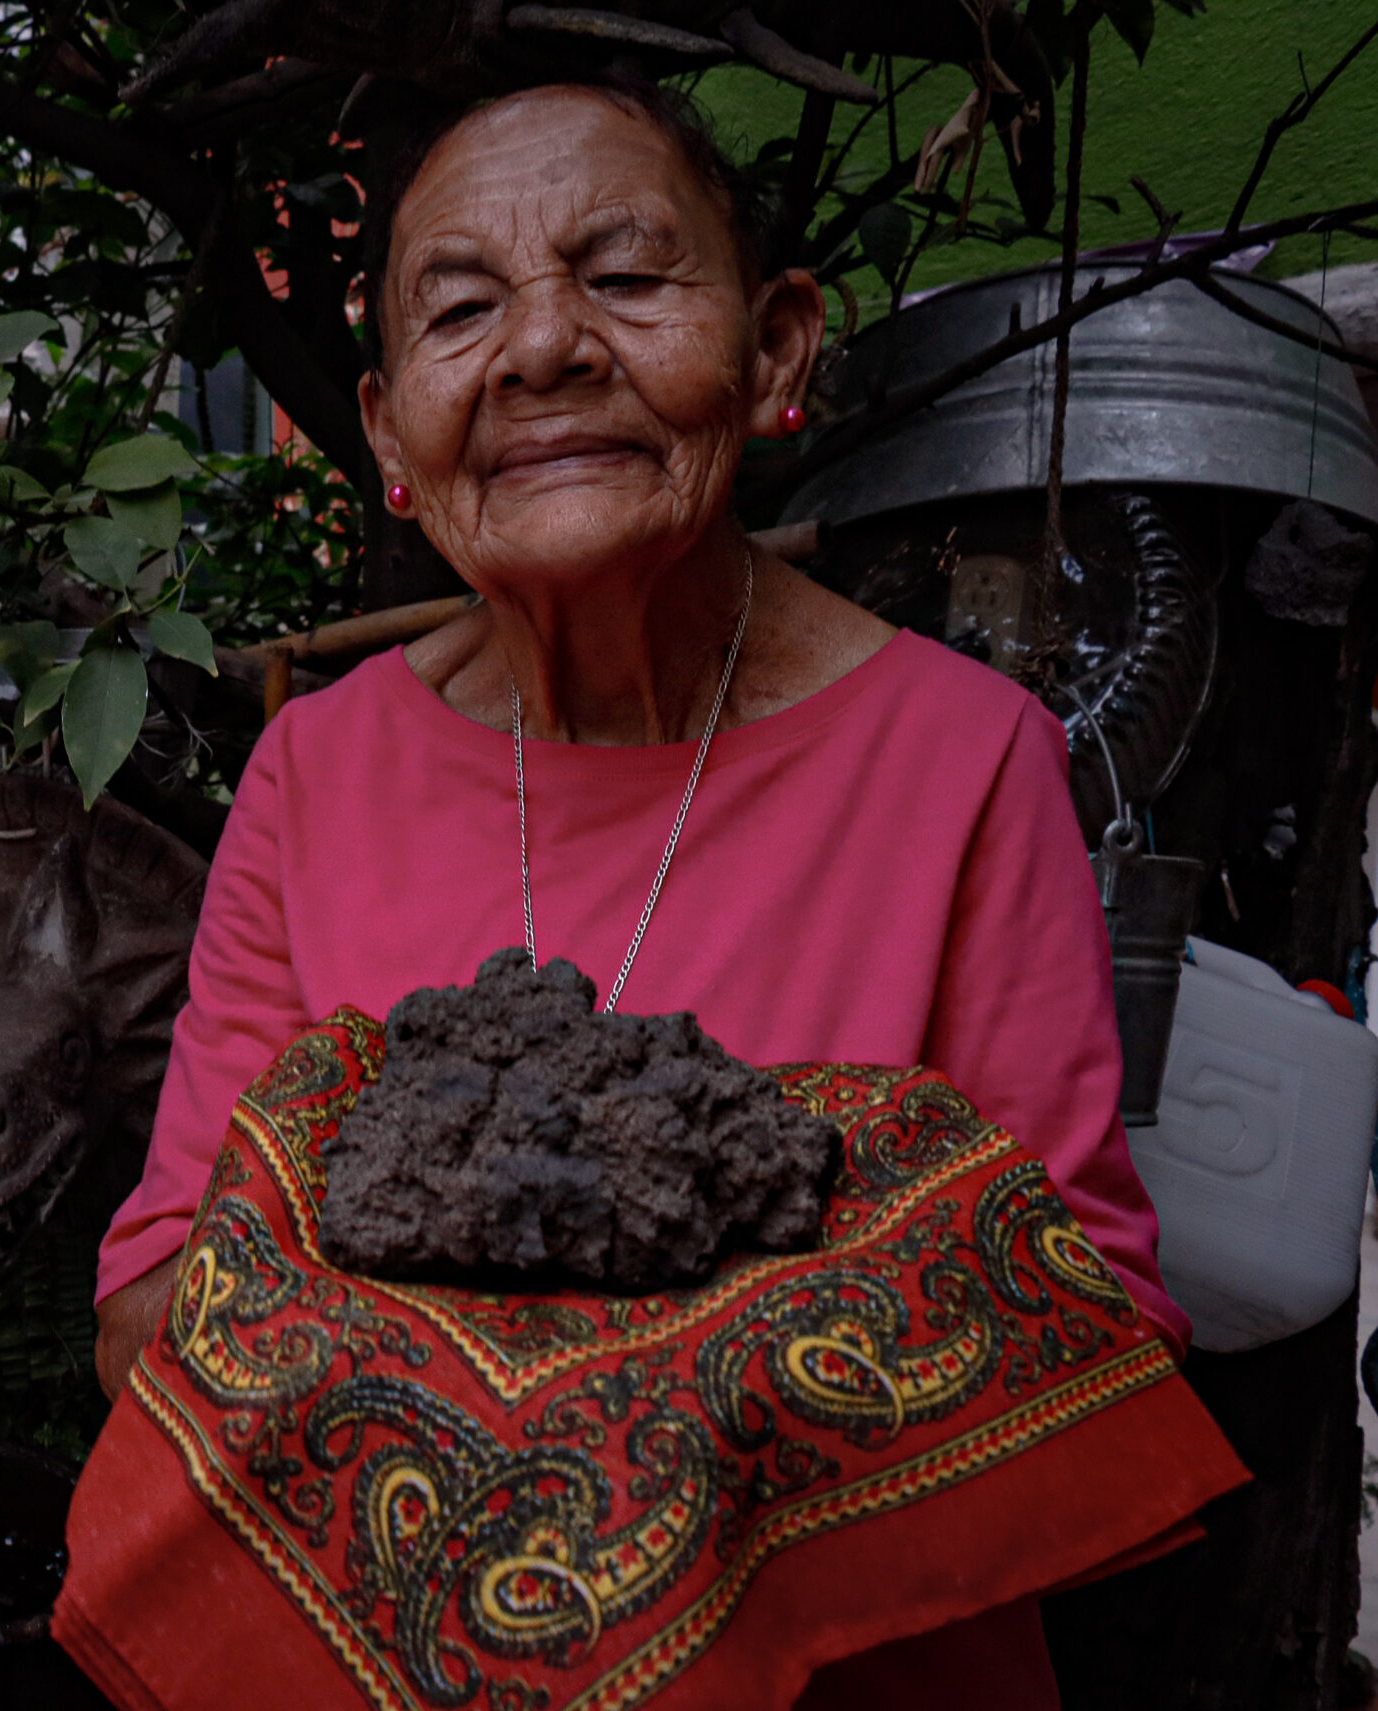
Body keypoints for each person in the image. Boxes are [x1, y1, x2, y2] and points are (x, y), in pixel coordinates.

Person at [88, 76, 1187, 1710]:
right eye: (464, 309)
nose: (543, 349)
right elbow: (151, 1313)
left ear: (778, 351)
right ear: (391, 432)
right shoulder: (316, 779)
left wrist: (596, 1389)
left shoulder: (964, 763)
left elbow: (1091, 1330)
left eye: (626, 276)